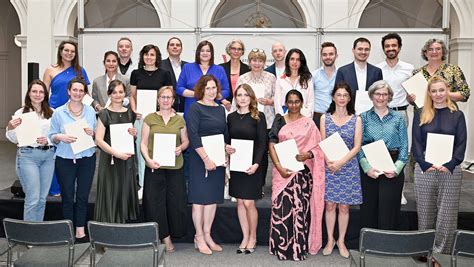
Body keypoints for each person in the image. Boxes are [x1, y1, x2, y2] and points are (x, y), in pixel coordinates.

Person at [412, 76, 467, 255]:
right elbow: (417, 142)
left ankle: (441, 255)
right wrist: (423, 163)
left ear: (447, 91)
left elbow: (461, 143)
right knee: (425, 212)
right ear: (429, 93)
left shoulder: (457, 115)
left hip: (450, 170)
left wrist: (451, 164)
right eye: (434, 91)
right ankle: (425, 250)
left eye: (441, 90)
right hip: (425, 168)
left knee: (447, 216)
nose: (438, 94)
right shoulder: (420, 113)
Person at [268, 90, 325, 261]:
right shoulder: (279, 120)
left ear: (302, 103)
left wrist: (308, 154)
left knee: (300, 210)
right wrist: (279, 167)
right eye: (290, 101)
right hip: (283, 172)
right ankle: (281, 248)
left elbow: (319, 147)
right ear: (286, 103)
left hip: (302, 173)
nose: (293, 105)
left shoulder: (309, 123)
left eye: (297, 101)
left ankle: (298, 248)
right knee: (282, 208)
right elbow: (272, 144)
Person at [141, 86, 189, 253]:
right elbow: (143, 144)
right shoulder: (149, 119)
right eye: (163, 97)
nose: (166, 100)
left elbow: (186, 141)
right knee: (155, 204)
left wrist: (180, 148)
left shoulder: (180, 120)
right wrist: (148, 160)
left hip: (175, 167)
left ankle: (172, 232)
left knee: (174, 203)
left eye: (169, 97)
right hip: (155, 167)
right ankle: (165, 237)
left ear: (173, 100)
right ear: (158, 99)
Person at [49, 78, 96, 241]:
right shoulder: (58, 112)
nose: (78, 93)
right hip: (65, 159)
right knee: (68, 196)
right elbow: (51, 136)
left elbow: (98, 135)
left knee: (83, 196)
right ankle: (68, 229)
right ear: (69, 91)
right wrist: (59, 136)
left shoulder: (91, 112)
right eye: (74, 90)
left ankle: (80, 229)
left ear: (84, 93)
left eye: (81, 90)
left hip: (87, 159)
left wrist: (93, 133)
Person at [186, 75, 229, 255]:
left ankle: (208, 235)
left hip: (217, 160)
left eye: (214, 88)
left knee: (212, 200)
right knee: (199, 201)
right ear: (201, 90)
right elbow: (193, 136)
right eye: (208, 88)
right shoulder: (195, 108)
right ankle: (198, 236)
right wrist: (206, 159)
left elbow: (224, 134)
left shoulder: (220, 109)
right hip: (199, 159)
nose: (211, 91)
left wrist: (227, 149)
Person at [357, 80, 408, 230]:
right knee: (369, 207)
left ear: (389, 97)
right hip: (370, 165)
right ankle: (368, 244)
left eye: (385, 94)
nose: (381, 97)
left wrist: (396, 169)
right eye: (378, 94)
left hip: (391, 165)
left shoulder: (398, 118)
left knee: (389, 208)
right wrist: (367, 168)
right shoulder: (363, 117)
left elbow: (405, 145)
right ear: (372, 96)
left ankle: (386, 245)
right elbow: (358, 145)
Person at [319, 82, 362, 258]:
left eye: (345, 95)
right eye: (339, 95)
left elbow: (357, 146)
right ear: (333, 97)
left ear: (349, 98)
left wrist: (340, 163)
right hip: (329, 167)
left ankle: (341, 241)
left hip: (348, 167)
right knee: (329, 206)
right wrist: (330, 162)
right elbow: (322, 143)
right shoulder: (324, 118)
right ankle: (330, 240)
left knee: (344, 207)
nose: (342, 98)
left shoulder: (356, 119)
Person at [43, 40, 90, 196]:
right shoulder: (50, 70)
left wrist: (95, 107)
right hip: (55, 113)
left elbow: (86, 94)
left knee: (75, 151)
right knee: (56, 151)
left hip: (76, 115)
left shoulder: (80, 71)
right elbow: (44, 93)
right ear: (61, 51)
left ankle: (73, 188)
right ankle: (56, 188)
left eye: (72, 51)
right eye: (66, 50)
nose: (69, 53)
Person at [225, 84, 267, 254]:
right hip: (237, 165)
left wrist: (256, 164)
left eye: (246, 95)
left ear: (251, 97)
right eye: (239, 95)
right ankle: (244, 236)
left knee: (249, 203)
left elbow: (262, 143)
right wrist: (226, 147)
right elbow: (228, 139)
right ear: (235, 97)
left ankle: (253, 237)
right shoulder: (231, 117)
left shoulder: (259, 116)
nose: (242, 98)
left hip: (253, 166)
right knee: (240, 202)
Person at [6, 80, 55, 222]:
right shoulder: (20, 113)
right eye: (34, 91)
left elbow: (57, 135)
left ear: (45, 94)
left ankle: (36, 230)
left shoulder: (52, 113)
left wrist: (48, 140)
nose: (38, 94)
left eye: (41, 92)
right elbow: (14, 139)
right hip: (28, 156)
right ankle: (29, 233)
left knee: (41, 198)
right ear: (29, 93)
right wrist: (10, 127)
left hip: (48, 157)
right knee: (33, 198)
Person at [376, 33, 414, 206]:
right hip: (380, 113)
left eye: (394, 45)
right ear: (384, 48)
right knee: (380, 151)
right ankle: (380, 188)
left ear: (399, 47)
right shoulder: (377, 69)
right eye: (387, 46)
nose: (391, 48)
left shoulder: (409, 68)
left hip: (400, 113)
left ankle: (400, 192)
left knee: (400, 151)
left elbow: (413, 93)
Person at [130, 44, 173, 194]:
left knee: (160, 149)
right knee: (142, 152)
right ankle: (142, 184)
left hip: (160, 118)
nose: (149, 57)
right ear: (142, 57)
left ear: (157, 57)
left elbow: (169, 95)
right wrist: (135, 110)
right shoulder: (136, 73)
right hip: (142, 119)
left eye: (152, 55)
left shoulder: (165, 74)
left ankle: (160, 184)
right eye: (146, 54)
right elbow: (132, 96)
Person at [94, 80, 139, 223]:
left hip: (127, 159)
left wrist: (134, 133)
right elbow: (99, 140)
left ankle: (124, 230)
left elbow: (131, 137)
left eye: (120, 92)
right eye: (114, 92)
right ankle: (109, 230)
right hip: (109, 160)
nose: (117, 95)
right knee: (110, 191)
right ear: (109, 94)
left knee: (124, 190)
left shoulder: (131, 114)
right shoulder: (104, 114)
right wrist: (115, 153)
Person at [235, 48, 276, 190]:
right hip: (247, 121)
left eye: (260, 60)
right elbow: (237, 99)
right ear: (249, 62)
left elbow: (278, 99)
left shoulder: (271, 77)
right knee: (247, 151)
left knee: (262, 153)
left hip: (267, 120)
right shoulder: (243, 78)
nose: (257, 63)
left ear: (264, 63)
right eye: (254, 60)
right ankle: (245, 183)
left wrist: (269, 101)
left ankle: (261, 184)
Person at [177, 40, 230, 117]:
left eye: (208, 51)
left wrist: (214, 95)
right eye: (202, 51)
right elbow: (179, 88)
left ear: (212, 54)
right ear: (198, 53)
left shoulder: (220, 69)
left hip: (213, 110)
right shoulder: (187, 67)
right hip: (192, 110)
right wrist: (197, 94)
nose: (205, 53)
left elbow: (226, 91)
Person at [410, 39, 470, 104]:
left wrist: (445, 94)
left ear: (443, 52)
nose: (434, 52)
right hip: (422, 112)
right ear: (425, 53)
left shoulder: (453, 70)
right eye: (430, 49)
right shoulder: (417, 73)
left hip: (447, 111)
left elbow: (465, 94)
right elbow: (413, 101)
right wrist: (410, 99)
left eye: (438, 49)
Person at [335, 37, 383, 105]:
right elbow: (338, 94)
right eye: (360, 49)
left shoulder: (377, 72)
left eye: (366, 49)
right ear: (353, 50)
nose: (363, 52)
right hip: (349, 112)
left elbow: (380, 94)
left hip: (371, 112)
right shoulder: (342, 71)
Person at [274, 48, 314, 118]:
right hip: (285, 120)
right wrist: (283, 120)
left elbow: (311, 102)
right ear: (288, 61)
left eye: (298, 59)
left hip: (303, 119)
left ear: (301, 62)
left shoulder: (307, 80)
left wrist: (306, 118)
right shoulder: (281, 80)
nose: (295, 62)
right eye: (292, 59)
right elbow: (277, 104)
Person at [312, 42, 338, 129]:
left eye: (331, 54)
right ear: (321, 56)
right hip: (317, 118)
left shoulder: (342, 74)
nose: (328, 57)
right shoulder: (314, 75)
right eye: (325, 54)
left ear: (336, 55)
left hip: (337, 118)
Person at [219, 39, 250, 107]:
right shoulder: (220, 68)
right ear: (229, 50)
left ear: (242, 52)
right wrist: (223, 100)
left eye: (239, 49)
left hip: (243, 106)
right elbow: (215, 87)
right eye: (233, 48)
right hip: (224, 105)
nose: (236, 51)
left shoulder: (248, 69)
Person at [161, 37, 188, 112]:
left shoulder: (188, 66)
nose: (175, 47)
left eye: (178, 45)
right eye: (172, 45)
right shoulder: (160, 65)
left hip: (186, 106)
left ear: (181, 49)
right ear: (167, 49)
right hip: (166, 107)